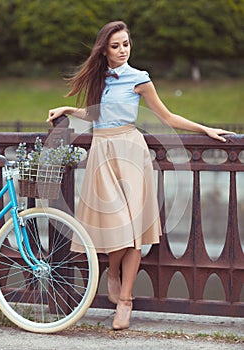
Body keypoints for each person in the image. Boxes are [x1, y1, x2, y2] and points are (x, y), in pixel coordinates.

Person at [47, 21, 234, 330]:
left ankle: (125, 302)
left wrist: (205, 129)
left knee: (134, 229)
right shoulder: (100, 79)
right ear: (104, 50)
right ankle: (114, 272)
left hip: (132, 154)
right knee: (116, 223)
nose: (122, 50)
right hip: (103, 154)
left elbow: (167, 115)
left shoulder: (139, 79)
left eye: (126, 44)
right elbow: (96, 115)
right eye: (116, 45)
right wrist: (68, 108)